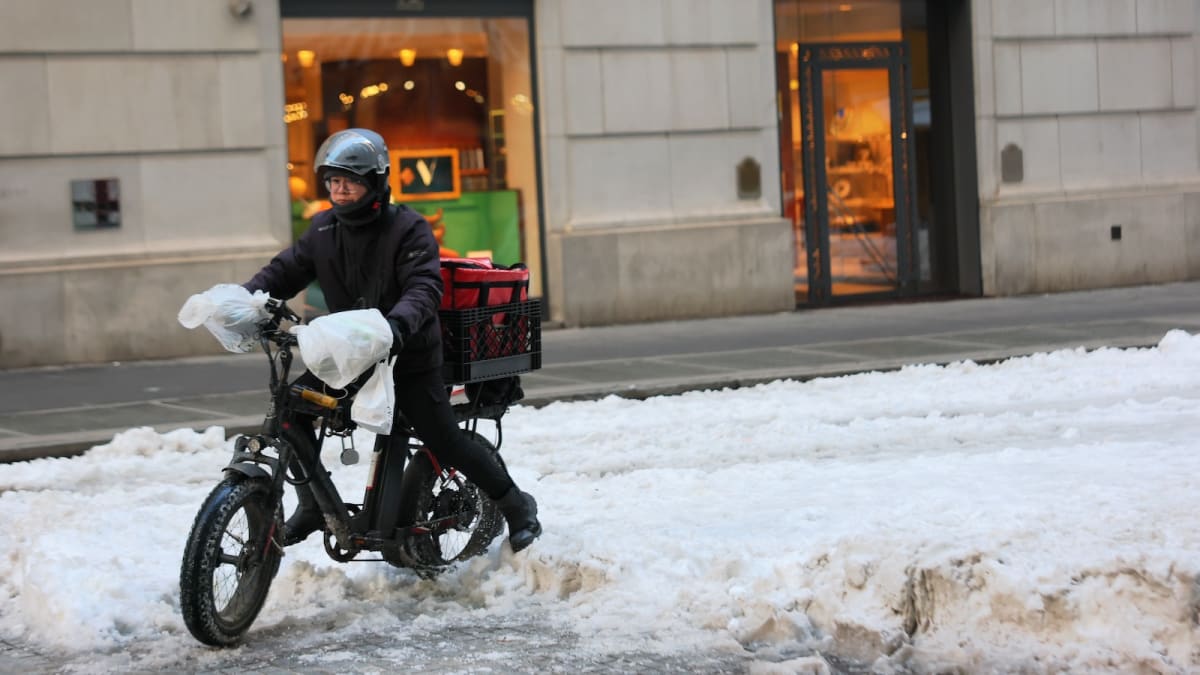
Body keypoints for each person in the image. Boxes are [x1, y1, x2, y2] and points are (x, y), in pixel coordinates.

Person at [243, 128, 541, 553]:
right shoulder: (323, 230)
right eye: (332, 181)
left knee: (443, 439)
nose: (340, 189)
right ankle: (313, 506)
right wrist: (244, 301)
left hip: (410, 357)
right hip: (352, 358)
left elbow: (424, 286)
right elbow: (283, 272)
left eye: (350, 180)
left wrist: (398, 325)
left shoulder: (408, 228)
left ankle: (516, 507)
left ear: (375, 182)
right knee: (293, 411)